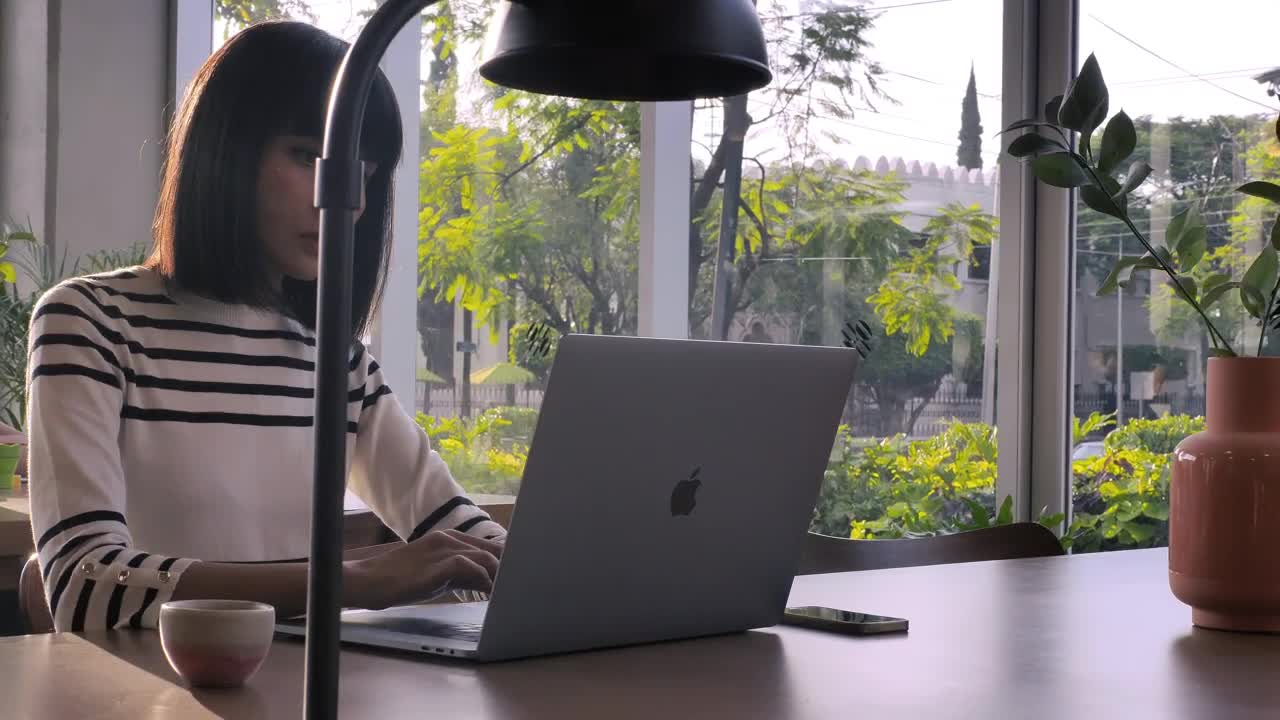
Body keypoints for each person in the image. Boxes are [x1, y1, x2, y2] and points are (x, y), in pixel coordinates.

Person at [27, 20, 504, 633]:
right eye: (309, 156)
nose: (348, 199)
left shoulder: (336, 361)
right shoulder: (92, 321)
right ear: (226, 148)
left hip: (304, 680)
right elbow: (84, 585)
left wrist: (565, 573)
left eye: (365, 172)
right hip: (154, 682)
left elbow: (460, 531)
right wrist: (354, 579)